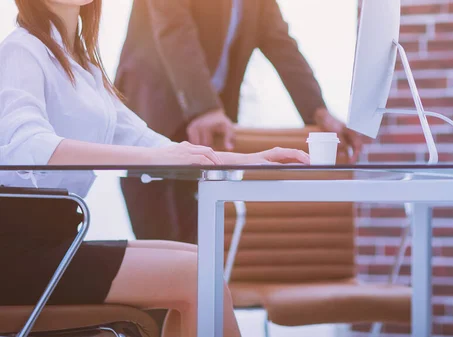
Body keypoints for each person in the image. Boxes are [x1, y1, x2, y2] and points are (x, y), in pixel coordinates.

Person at [0, 1, 310, 337]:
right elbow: (26, 146)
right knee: (196, 275)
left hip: (58, 241)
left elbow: (144, 140)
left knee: (201, 264)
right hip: (19, 253)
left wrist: (247, 159)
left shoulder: (82, 64)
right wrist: (154, 159)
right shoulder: (21, 50)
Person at [114, 0, 365, 243]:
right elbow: (173, 27)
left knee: (197, 249)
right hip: (153, 112)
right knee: (161, 245)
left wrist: (319, 113)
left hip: (206, 127)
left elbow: (281, 44)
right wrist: (204, 108)